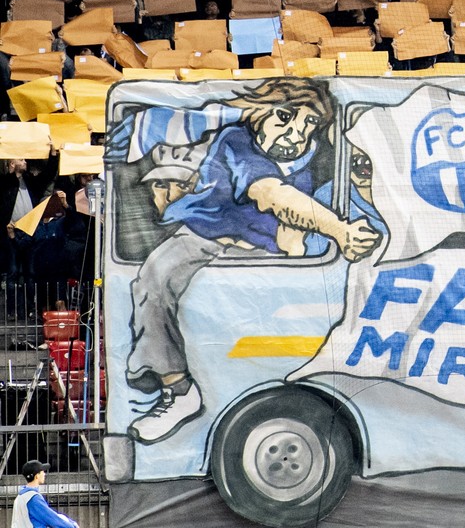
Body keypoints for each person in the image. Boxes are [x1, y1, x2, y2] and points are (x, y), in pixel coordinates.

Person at [125, 80, 381, 444]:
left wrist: (344, 236)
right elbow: (270, 194)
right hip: (205, 236)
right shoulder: (236, 141)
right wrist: (340, 230)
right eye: (286, 119)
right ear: (260, 113)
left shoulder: (316, 158)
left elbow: (307, 221)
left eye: (308, 125)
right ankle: (178, 388)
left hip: (263, 250)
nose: (297, 133)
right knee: (154, 277)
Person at [11, 461, 78, 528]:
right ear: (37, 476)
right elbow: (51, 518)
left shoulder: (21, 496)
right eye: (42, 472)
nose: (44, 474)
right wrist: (72, 526)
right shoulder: (33, 498)